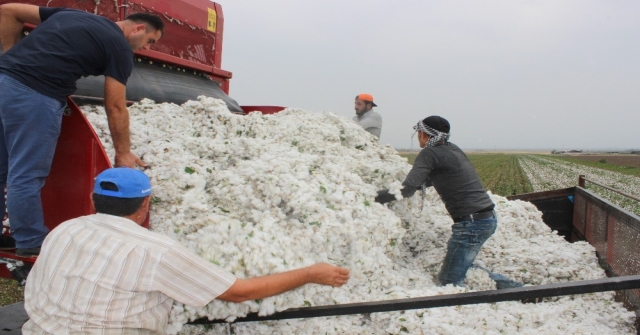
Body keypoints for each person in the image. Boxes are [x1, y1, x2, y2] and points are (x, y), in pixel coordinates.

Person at [23, 167, 350, 333]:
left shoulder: (66, 228)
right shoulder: (156, 250)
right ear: (146, 203)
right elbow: (238, 293)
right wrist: (310, 273)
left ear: (94, 200)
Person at [0, 3, 163, 256]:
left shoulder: (72, 14)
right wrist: (123, 153)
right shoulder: (118, 47)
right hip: (35, 95)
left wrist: (10, 54)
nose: (148, 48)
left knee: (2, 169)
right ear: (138, 28)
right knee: (26, 173)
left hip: (4, 82)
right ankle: (31, 241)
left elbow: (8, 10)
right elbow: (116, 105)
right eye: (150, 40)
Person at [375, 116, 497, 287]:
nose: (417, 135)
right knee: (463, 266)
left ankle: (516, 292)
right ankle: (514, 289)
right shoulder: (452, 149)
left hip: (471, 224)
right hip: (485, 218)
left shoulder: (430, 153)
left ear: (424, 134)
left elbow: (407, 190)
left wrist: (373, 197)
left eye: (419, 132)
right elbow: (437, 179)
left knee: (449, 281)